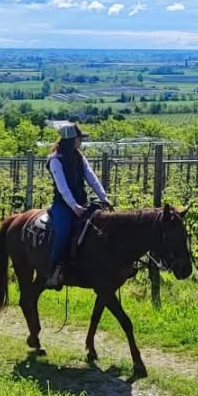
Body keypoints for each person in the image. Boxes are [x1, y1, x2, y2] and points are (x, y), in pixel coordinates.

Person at [45, 122, 112, 290]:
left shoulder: (79, 157)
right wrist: (74, 206)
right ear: (71, 140)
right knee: (63, 233)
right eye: (78, 138)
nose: (80, 141)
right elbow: (62, 187)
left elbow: (91, 177)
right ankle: (53, 271)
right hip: (63, 205)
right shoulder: (55, 160)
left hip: (82, 202)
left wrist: (104, 198)